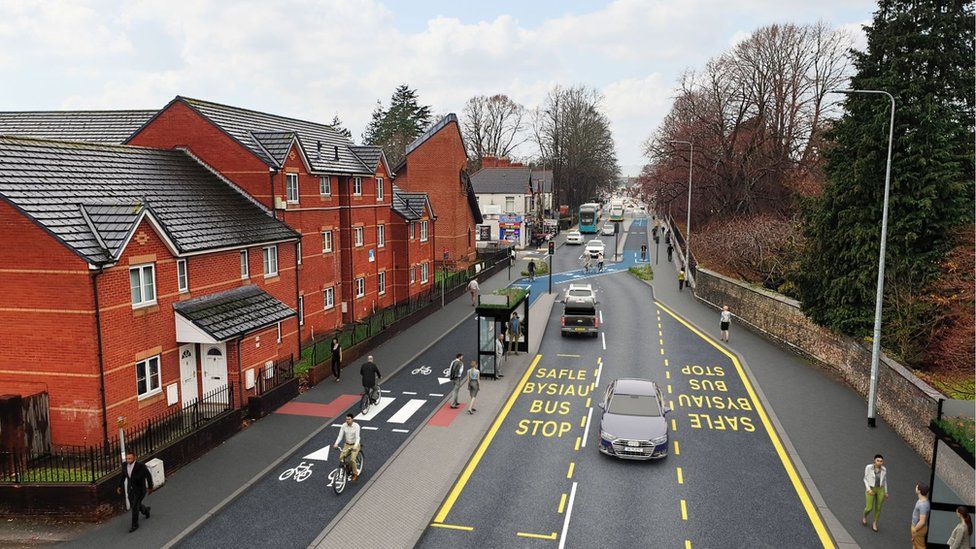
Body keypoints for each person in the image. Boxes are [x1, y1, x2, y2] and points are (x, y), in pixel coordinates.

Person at [118, 450, 153, 533]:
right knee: (135, 504)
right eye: (127, 459)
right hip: (130, 489)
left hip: (140, 490)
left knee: (134, 507)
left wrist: (150, 487)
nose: (128, 460)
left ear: (134, 458)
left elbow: (148, 476)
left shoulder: (141, 466)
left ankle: (135, 525)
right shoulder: (124, 465)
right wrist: (119, 486)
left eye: (130, 458)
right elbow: (123, 476)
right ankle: (146, 510)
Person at [862, 454, 889, 532]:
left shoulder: (884, 469)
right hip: (871, 489)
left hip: (880, 490)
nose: (879, 462)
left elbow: (884, 481)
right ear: (874, 460)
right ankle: (864, 516)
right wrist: (868, 489)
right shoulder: (868, 467)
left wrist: (886, 491)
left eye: (881, 461)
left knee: (878, 507)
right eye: (878, 460)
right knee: (869, 507)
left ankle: (875, 523)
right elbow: (865, 479)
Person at [333, 413, 361, 481]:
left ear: (352, 419)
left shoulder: (356, 426)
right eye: (346, 419)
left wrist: (355, 446)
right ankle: (348, 467)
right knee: (341, 457)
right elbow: (340, 436)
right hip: (347, 444)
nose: (347, 421)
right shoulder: (344, 426)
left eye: (349, 419)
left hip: (355, 445)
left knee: (352, 459)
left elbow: (358, 438)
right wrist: (336, 443)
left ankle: (355, 473)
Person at [911, 483, 931, 549]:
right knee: (915, 544)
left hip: (918, 529)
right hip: (916, 527)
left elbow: (922, 522)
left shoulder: (923, 505)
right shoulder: (922, 500)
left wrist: (915, 530)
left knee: (920, 546)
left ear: (919, 491)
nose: (915, 488)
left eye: (916, 487)